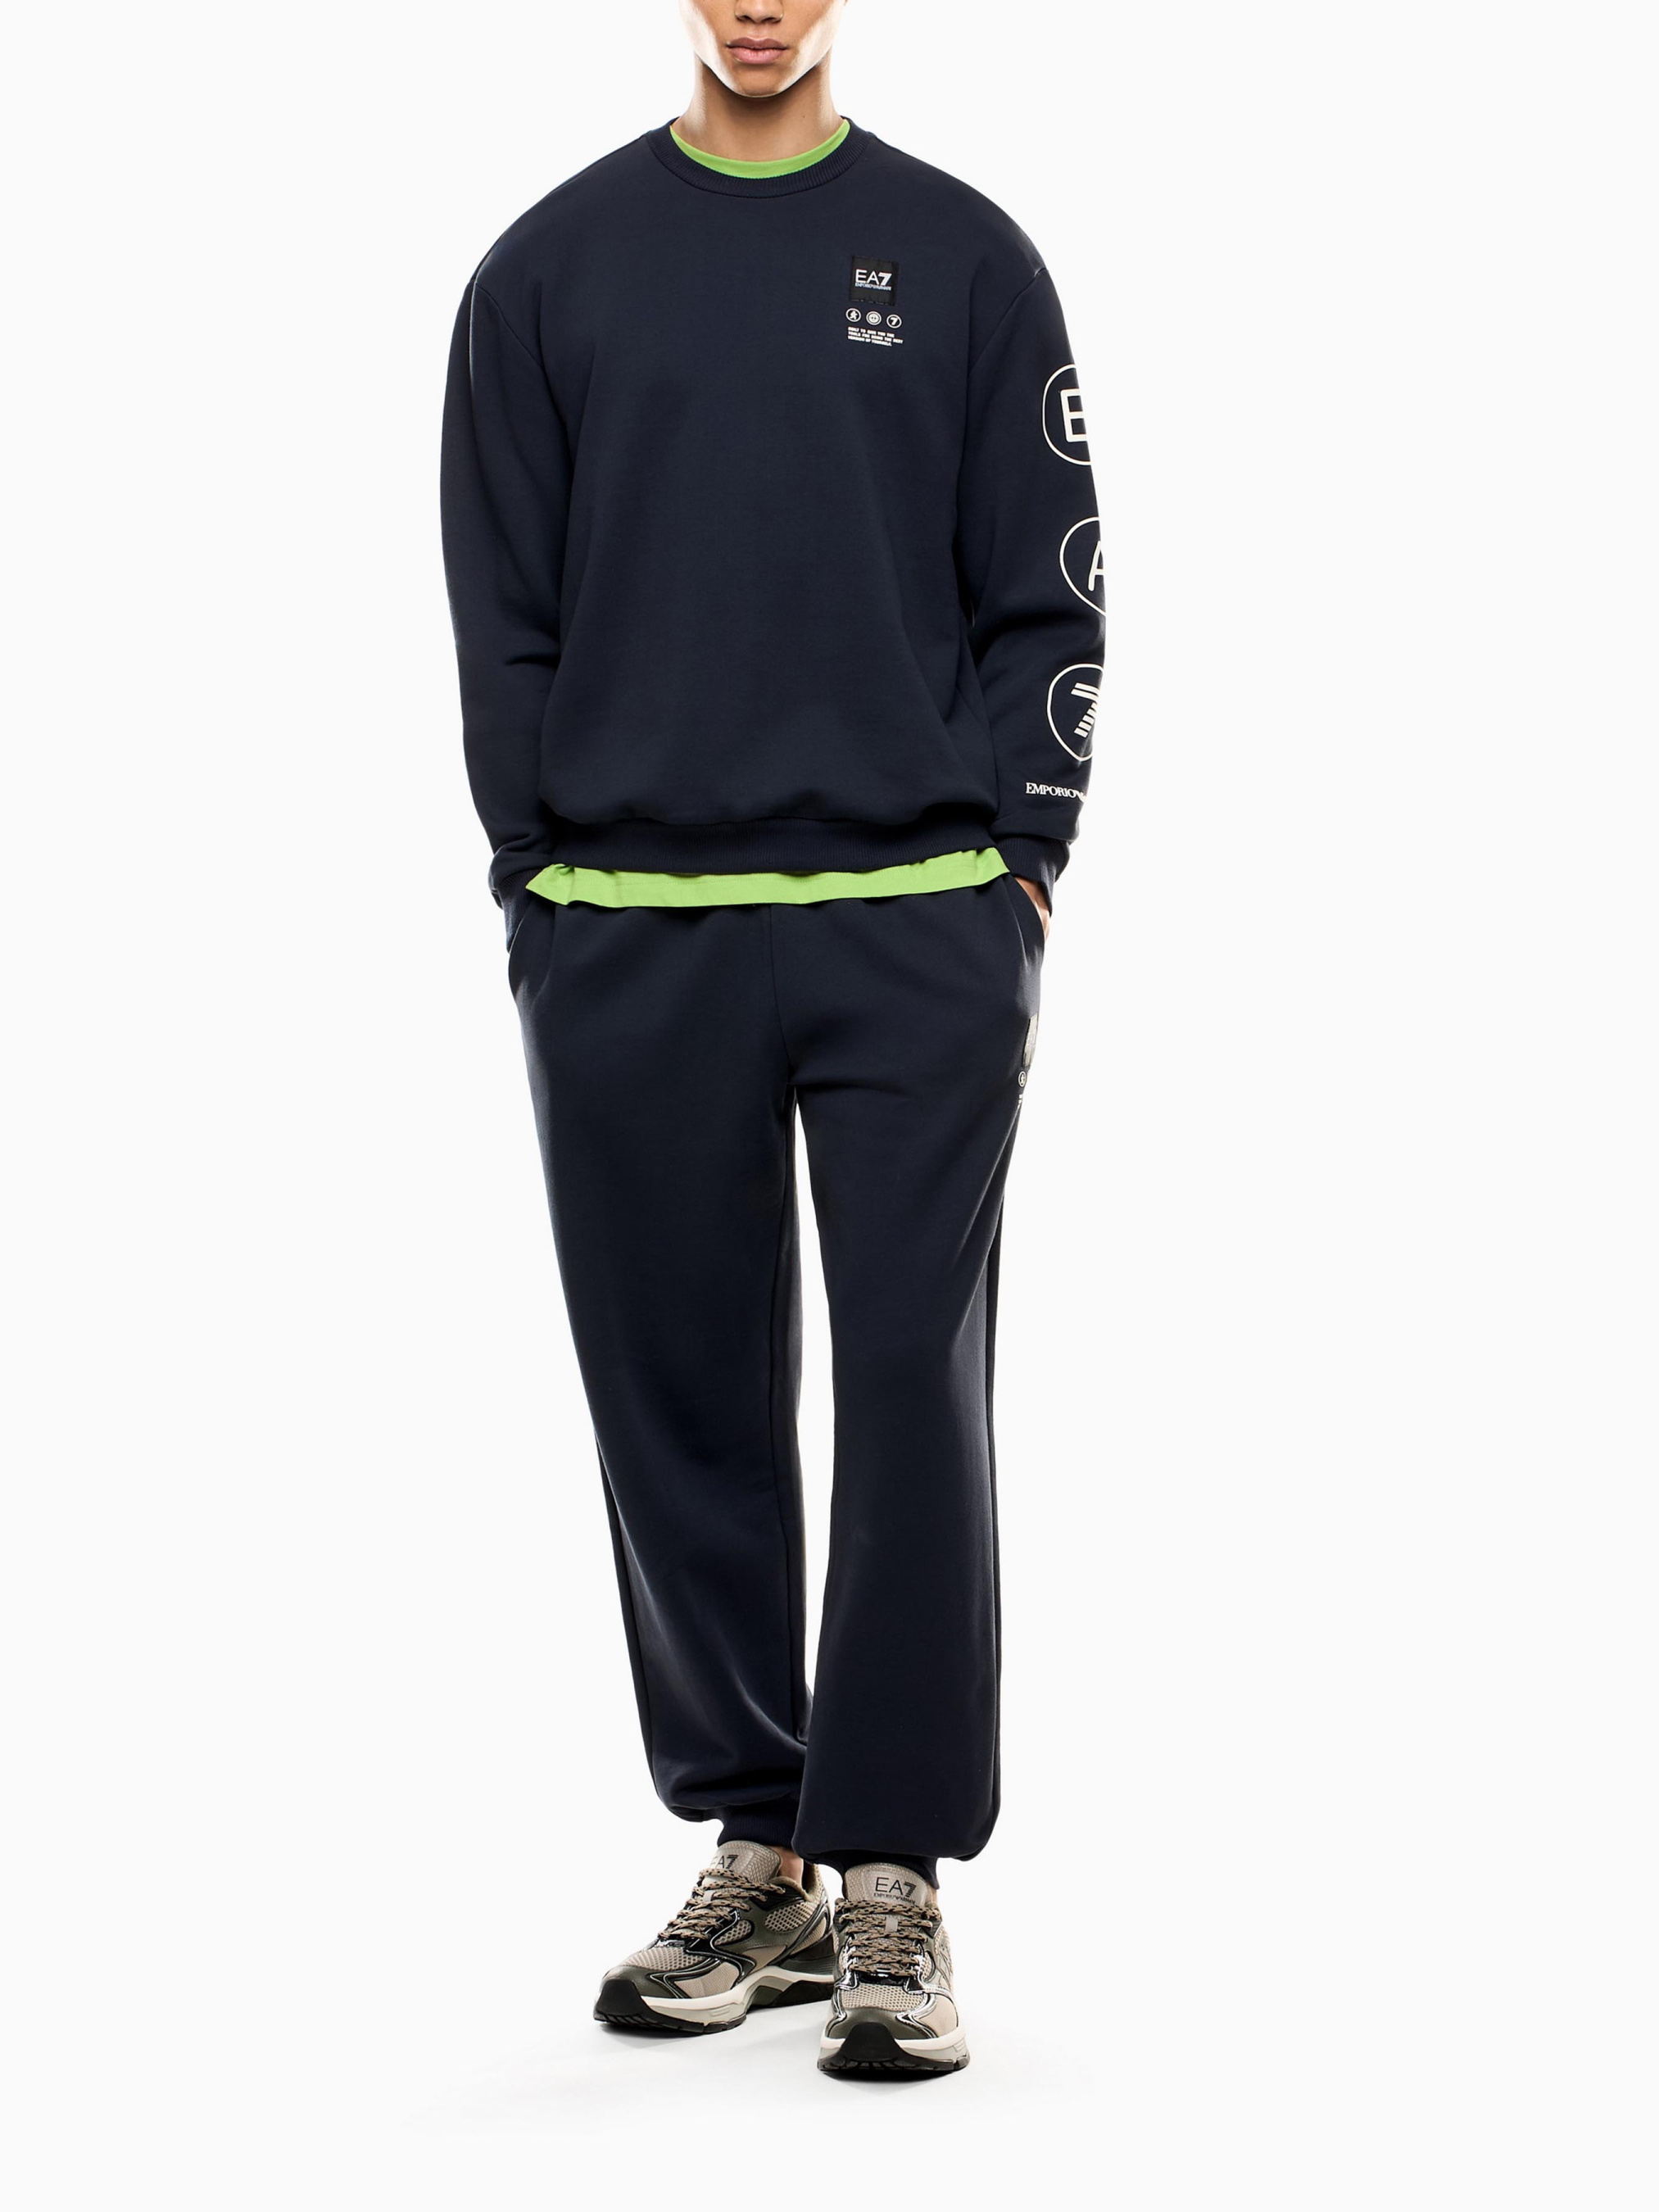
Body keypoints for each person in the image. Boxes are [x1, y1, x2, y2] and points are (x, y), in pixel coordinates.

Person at [441, 0, 1102, 2079]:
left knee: (910, 1387)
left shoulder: (967, 257)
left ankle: (892, 1869)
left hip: (914, 916)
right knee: (677, 1397)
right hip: (628, 924)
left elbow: (1046, 587)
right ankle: (764, 1845)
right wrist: (538, 877)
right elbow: (499, 606)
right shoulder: (545, 270)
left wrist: (1020, 868)